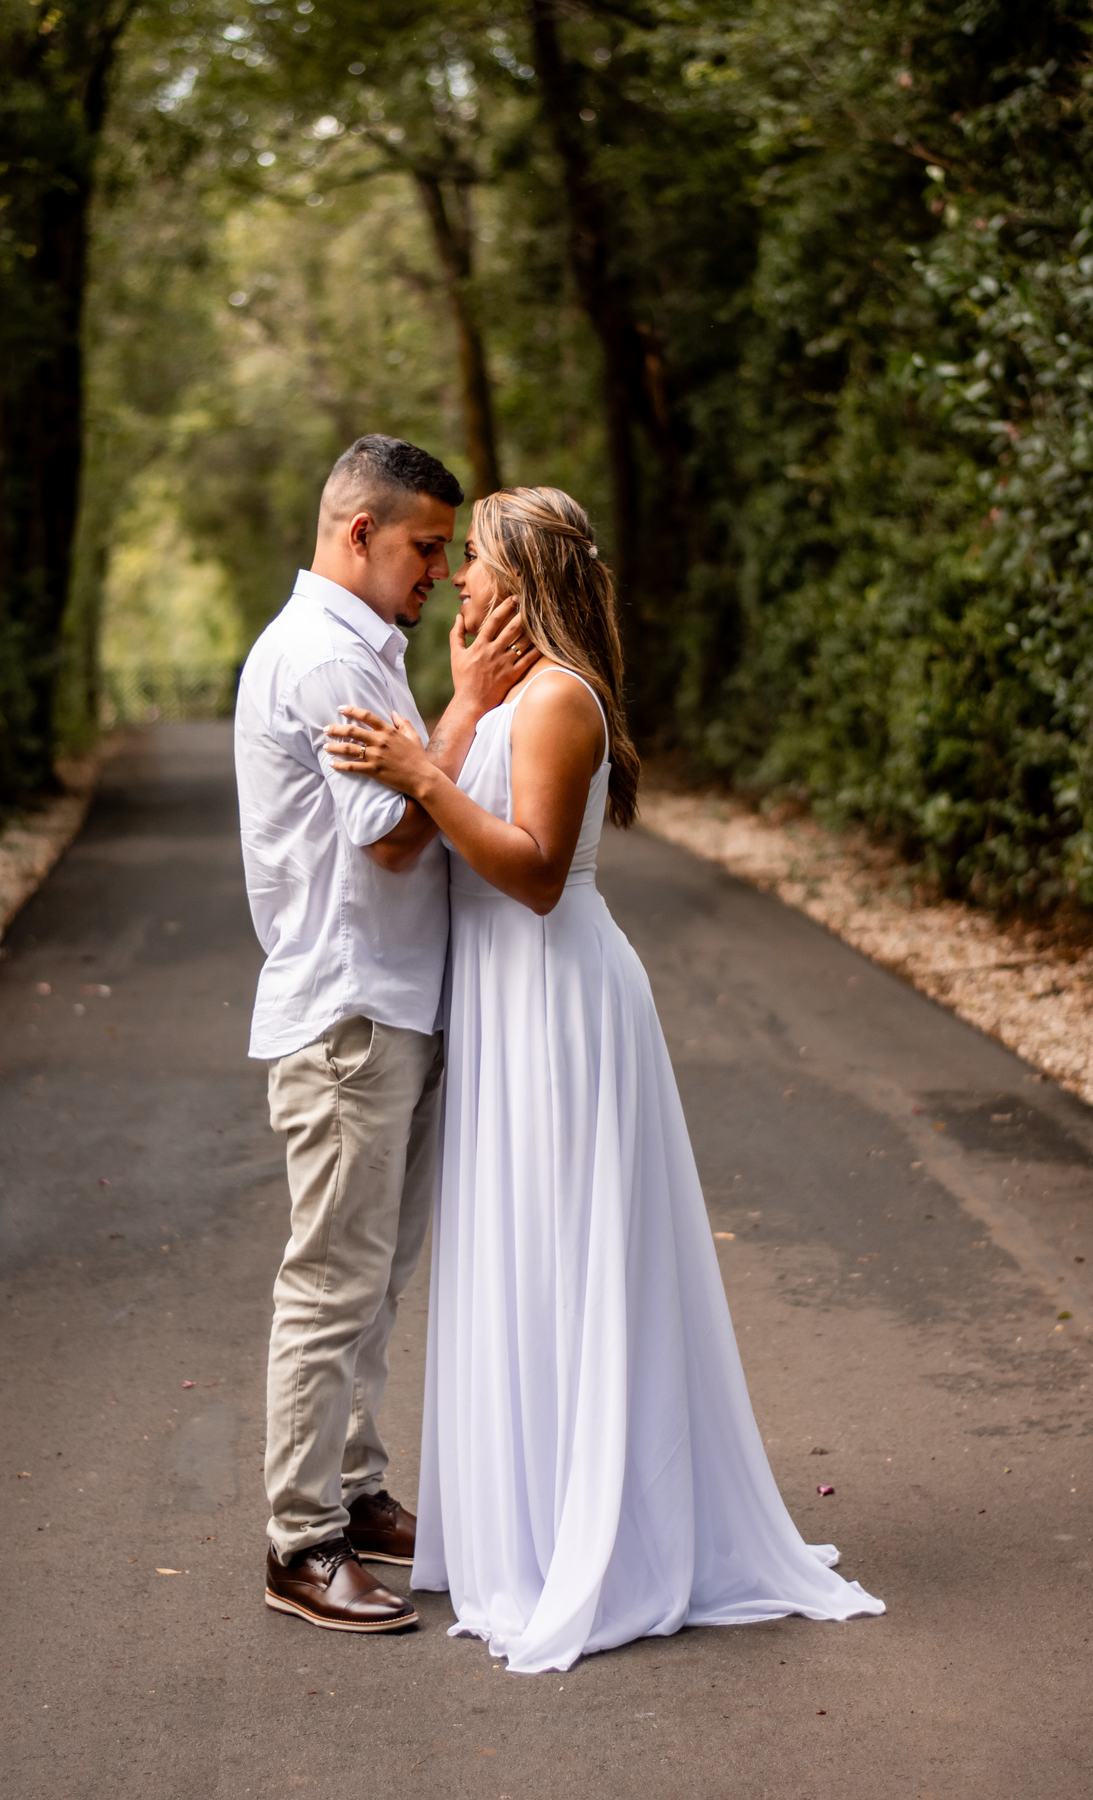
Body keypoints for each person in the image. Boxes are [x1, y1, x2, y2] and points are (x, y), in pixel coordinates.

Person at [326, 485, 886, 1672]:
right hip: (503, 1006)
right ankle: (525, 1519)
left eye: (474, 561)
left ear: (524, 580)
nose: (460, 580)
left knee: (573, 1259)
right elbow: (415, 809)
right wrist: (444, 736)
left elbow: (530, 875)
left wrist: (426, 775)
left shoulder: (563, 702)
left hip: (561, 1002)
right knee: (520, 1257)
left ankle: (606, 1534)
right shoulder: (499, 697)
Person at [235, 436, 536, 1634]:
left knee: (377, 1283)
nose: (438, 572)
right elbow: (396, 838)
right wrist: (467, 708)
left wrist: (437, 728)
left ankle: (356, 1496)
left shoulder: (367, 648)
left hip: (393, 1005)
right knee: (331, 1284)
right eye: (423, 547)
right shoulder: (322, 657)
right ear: (357, 532)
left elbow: (415, 799)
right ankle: (299, 1543)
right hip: (349, 1013)